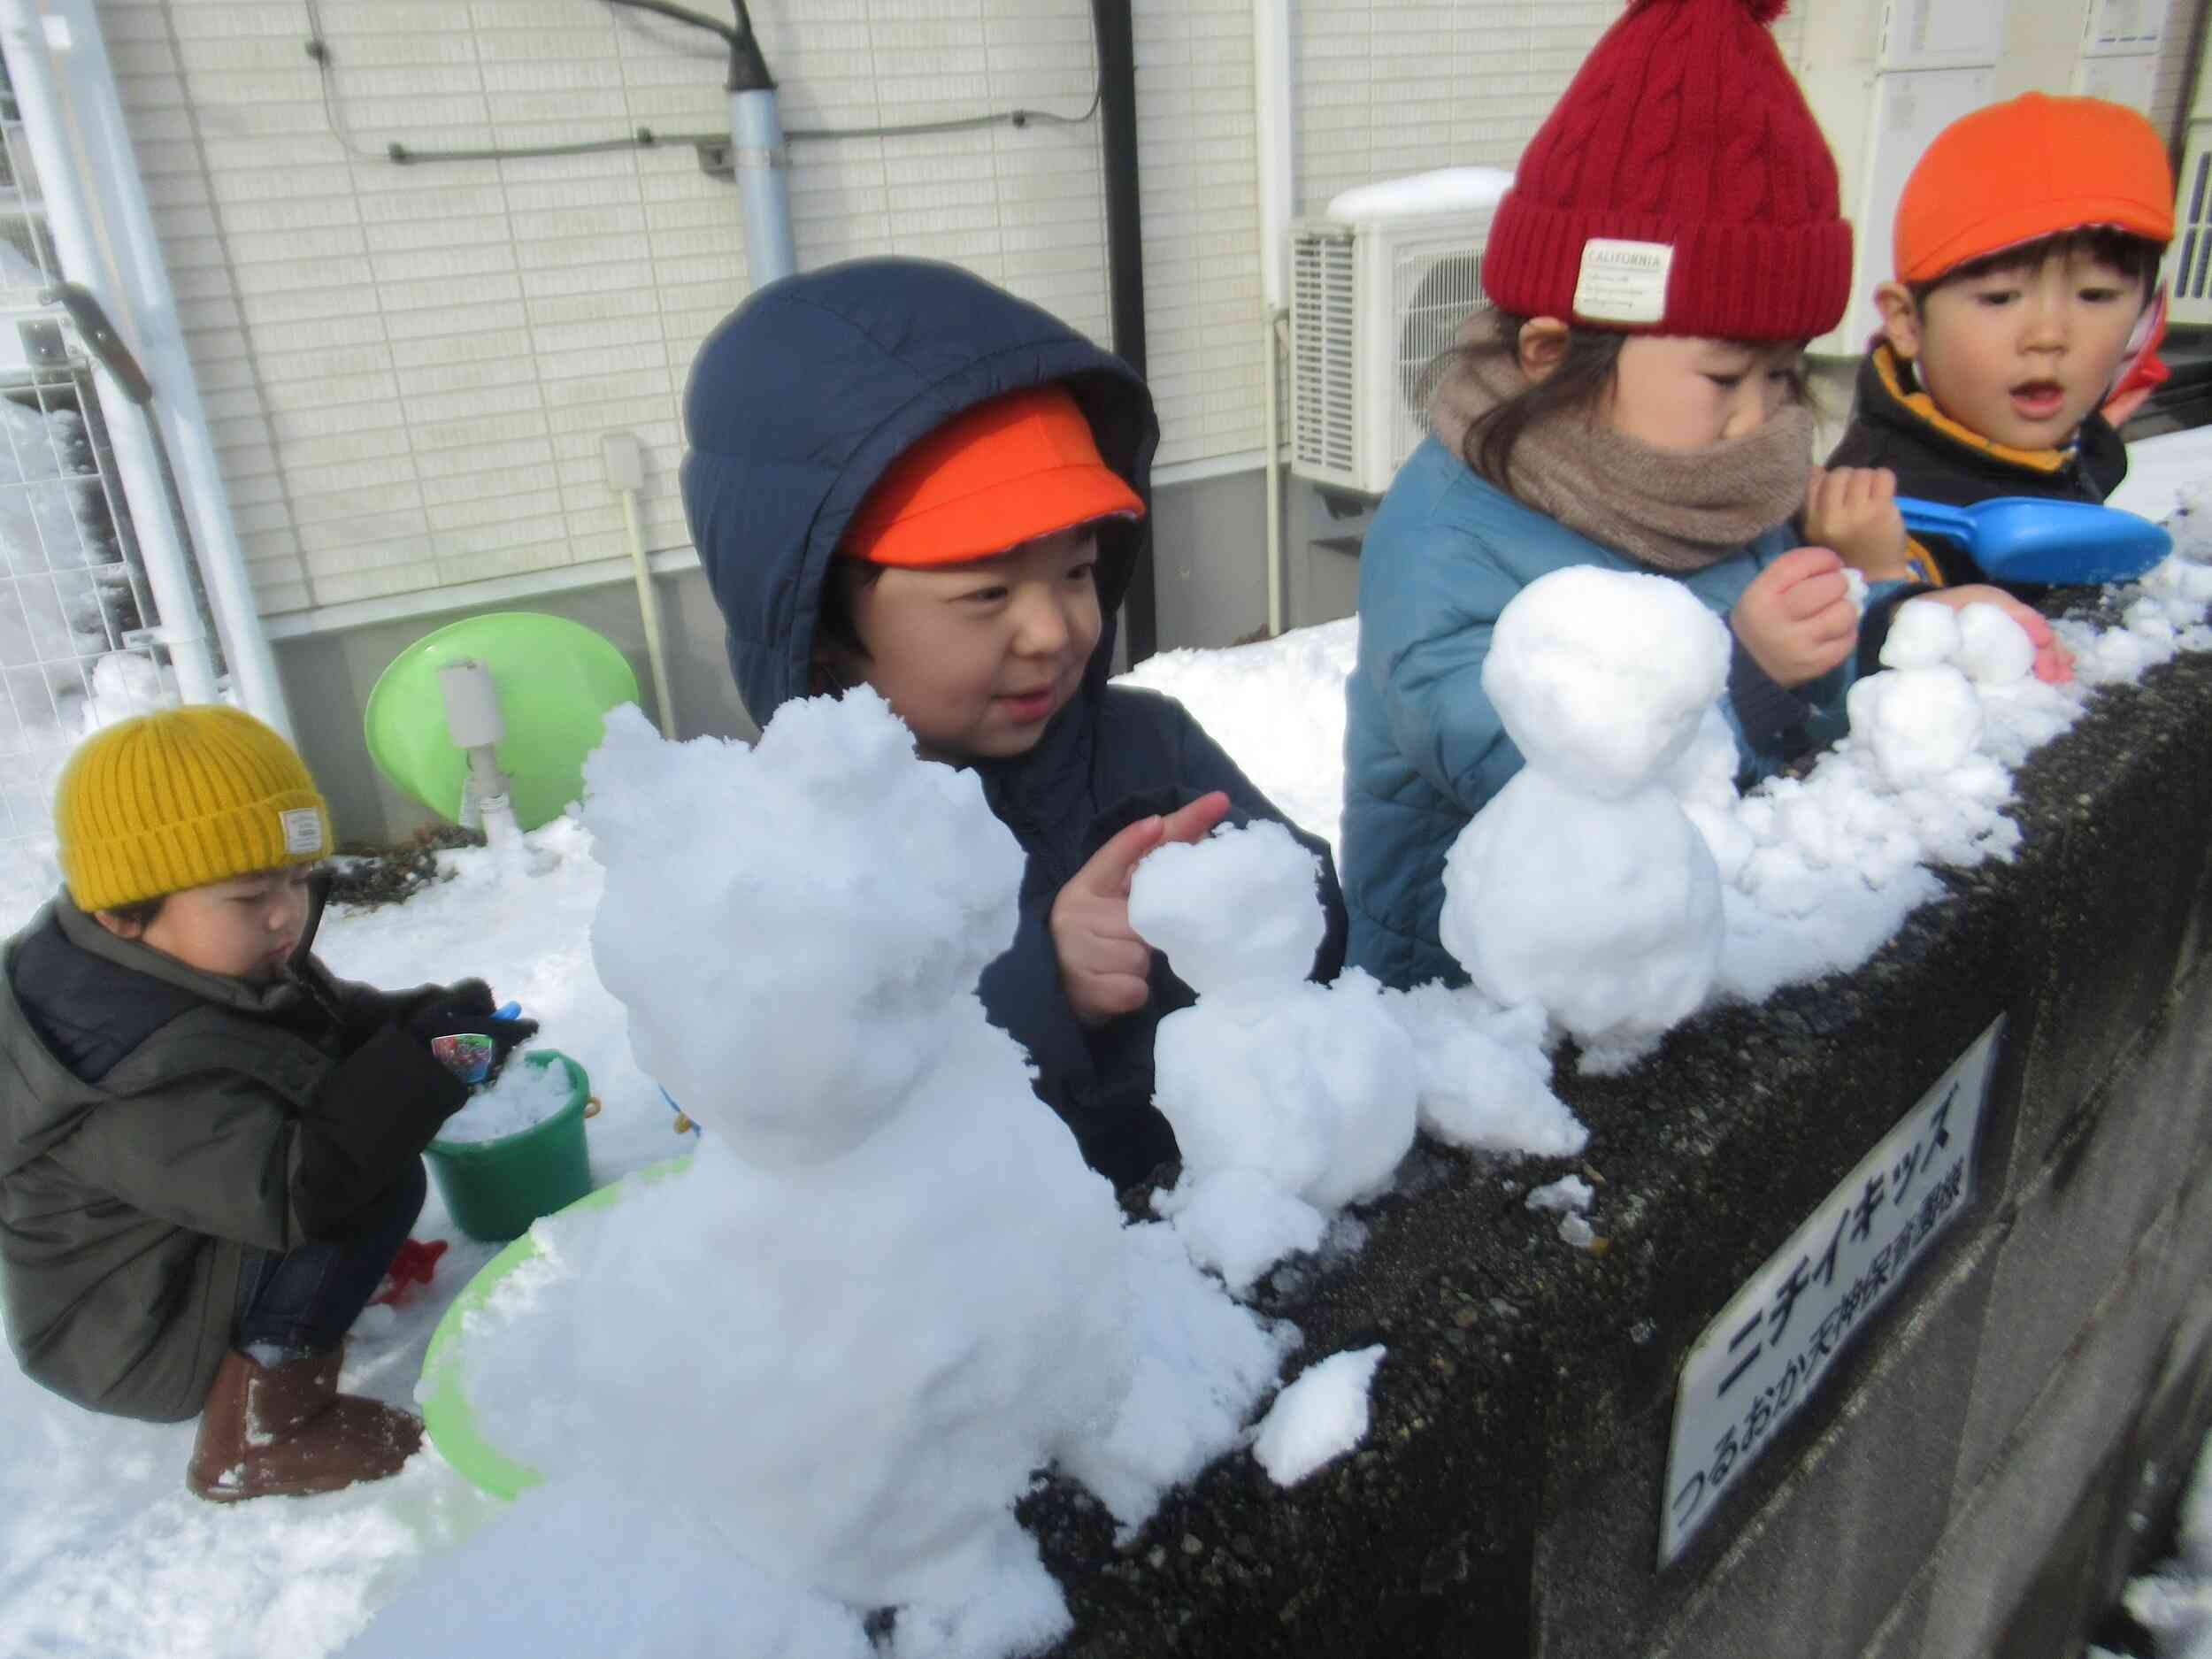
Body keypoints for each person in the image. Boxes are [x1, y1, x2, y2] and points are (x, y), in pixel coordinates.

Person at [1340, 0, 2066, 992]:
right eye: (1727, 379)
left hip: (1687, 931)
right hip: (1475, 981)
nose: (1760, 416)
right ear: (1554, 354)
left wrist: (1893, 621)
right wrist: (1749, 675)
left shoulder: (1713, 476)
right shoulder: (1445, 533)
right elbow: (1515, 770)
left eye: (1781, 375)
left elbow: (1797, 657)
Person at [681, 257, 1348, 1190]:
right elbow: (785, 1098)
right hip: (990, 1278)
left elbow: (1316, 927)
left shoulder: (1148, 747)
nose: (1054, 631)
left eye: (1076, 572)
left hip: (1217, 1211)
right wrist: (1045, 979)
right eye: (987, 592)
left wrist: (1256, 908)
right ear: (823, 620)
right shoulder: (794, 850)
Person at [0, 707, 534, 1501]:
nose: (287, 911)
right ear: (125, 909)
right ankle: (256, 1430)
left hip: (182, 1244)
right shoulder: (120, 1068)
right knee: (366, 1185)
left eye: (295, 878)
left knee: (375, 1155)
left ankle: (285, 1323)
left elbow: (322, 1028)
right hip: (130, 1326)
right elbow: (296, 1189)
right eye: (252, 894)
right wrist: (427, 1069)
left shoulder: (191, 957)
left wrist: (417, 1023)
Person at [1825, 92, 2176, 588]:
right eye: (2000, 298)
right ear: (1906, 321)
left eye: (2095, 296)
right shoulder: (1871, 505)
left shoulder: (2082, 444)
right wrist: (1882, 584)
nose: (2048, 336)